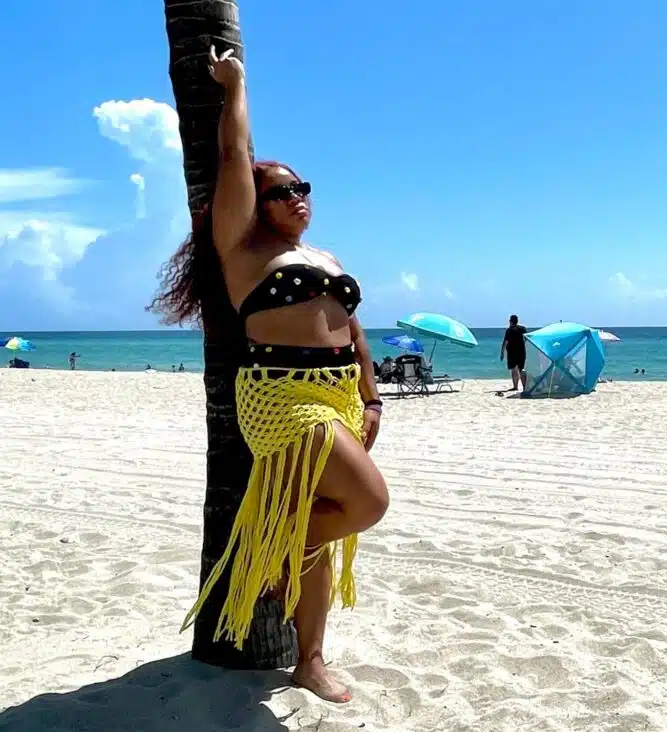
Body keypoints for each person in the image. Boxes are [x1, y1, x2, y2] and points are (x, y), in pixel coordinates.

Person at [148, 47, 388, 703]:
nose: (297, 197)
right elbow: (233, 157)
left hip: (340, 396)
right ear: (259, 202)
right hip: (280, 395)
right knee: (369, 503)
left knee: (322, 529)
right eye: (282, 191)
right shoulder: (244, 247)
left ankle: (309, 658)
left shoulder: (326, 254)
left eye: (303, 187)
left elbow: (353, 327)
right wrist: (234, 87)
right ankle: (272, 549)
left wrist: (372, 399)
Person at [500, 314, 528, 391]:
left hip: (512, 353)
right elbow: (526, 338)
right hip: (521, 352)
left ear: (510, 321)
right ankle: (525, 387)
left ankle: (515, 386)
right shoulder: (523, 328)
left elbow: (505, 342)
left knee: (513, 369)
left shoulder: (509, 330)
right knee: (521, 369)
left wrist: (502, 353)